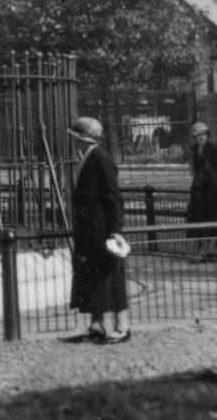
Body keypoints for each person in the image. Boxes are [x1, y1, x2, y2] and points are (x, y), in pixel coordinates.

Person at [64, 116, 130, 345]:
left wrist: (115, 230)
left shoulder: (100, 159)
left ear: (83, 138)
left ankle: (122, 326)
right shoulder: (89, 157)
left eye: (75, 138)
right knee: (94, 277)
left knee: (112, 277)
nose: (73, 143)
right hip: (91, 231)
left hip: (102, 230)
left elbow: (113, 196)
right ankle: (96, 324)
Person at [184, 123, 217, 263]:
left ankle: (207, 250)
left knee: (210, 220)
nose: (200, 138)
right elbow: (194, 169)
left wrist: (215, 180)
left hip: (212, 190)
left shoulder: (215, 149)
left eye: (202, 134)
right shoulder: (194, 150)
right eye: (197, 136)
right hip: (199, 190)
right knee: (197, 221)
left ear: (207, 135)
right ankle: (200, 251)